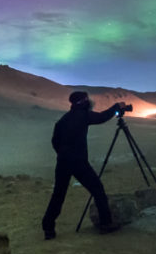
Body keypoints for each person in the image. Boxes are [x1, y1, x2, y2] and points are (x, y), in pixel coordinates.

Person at [41, 91, 126, 239]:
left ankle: (48, 228)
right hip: (78, 161)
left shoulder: (63, 119)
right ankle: (106, 223)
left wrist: (62, 154)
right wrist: (116, 107)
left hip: (63, 161)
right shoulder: (83, 115)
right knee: (98, 190)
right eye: (87, 99)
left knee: (58, 194)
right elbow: (102, 117)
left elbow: (55, 141)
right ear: (83, 101)